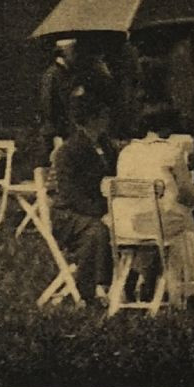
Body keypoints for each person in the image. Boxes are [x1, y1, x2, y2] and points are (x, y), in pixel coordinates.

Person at [112, 102, 194, 306]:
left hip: (127, 226)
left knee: (173, 219)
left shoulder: (127, 152)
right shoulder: (171, 152)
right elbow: (187, 193)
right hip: (159, 226)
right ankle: (180, 291)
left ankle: (147, 281)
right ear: (168, 128)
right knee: (186, 227)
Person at [49, 89, 117, 304]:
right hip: (69, 214)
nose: (107, 121)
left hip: (98, 209)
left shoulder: (107, 147)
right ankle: (88, 290)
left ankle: (123, 284)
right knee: (98, 231)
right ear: (91, 119)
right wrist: (102, 212)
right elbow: (71, 195)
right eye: (104, 116)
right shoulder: (68, 151)